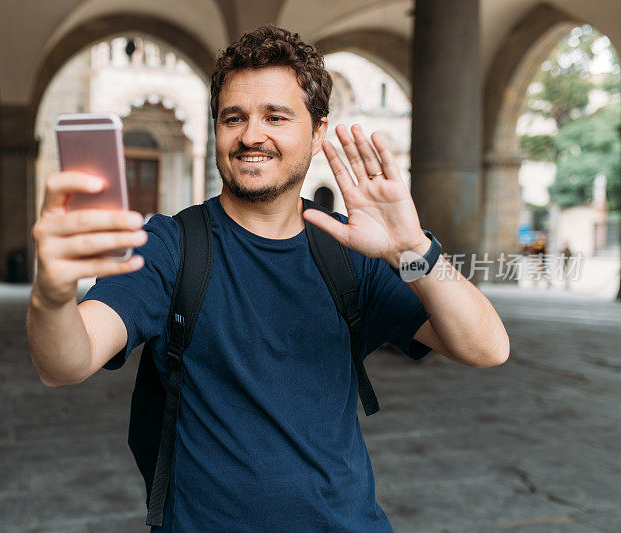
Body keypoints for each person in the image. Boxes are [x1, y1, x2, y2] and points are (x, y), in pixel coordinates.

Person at [26, 26, 510, 532]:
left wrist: (413, 251)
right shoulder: (170, 246)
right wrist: (53, 293)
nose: (251, 135)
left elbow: (487, 348)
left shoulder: (350, 253)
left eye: (275, 117)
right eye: (233, 118)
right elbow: (67, 362)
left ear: (318, 132)